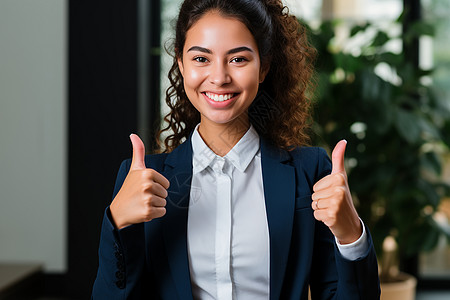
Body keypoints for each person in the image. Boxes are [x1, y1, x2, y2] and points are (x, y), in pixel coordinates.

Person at [92, 0, 381, 299]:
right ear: (180, 64)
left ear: (264, 67)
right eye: (201, 59)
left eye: (238, 59)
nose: (219, 78)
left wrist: (351, 236)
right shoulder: (143, 180)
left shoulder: (310, 172)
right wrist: (117, 222)